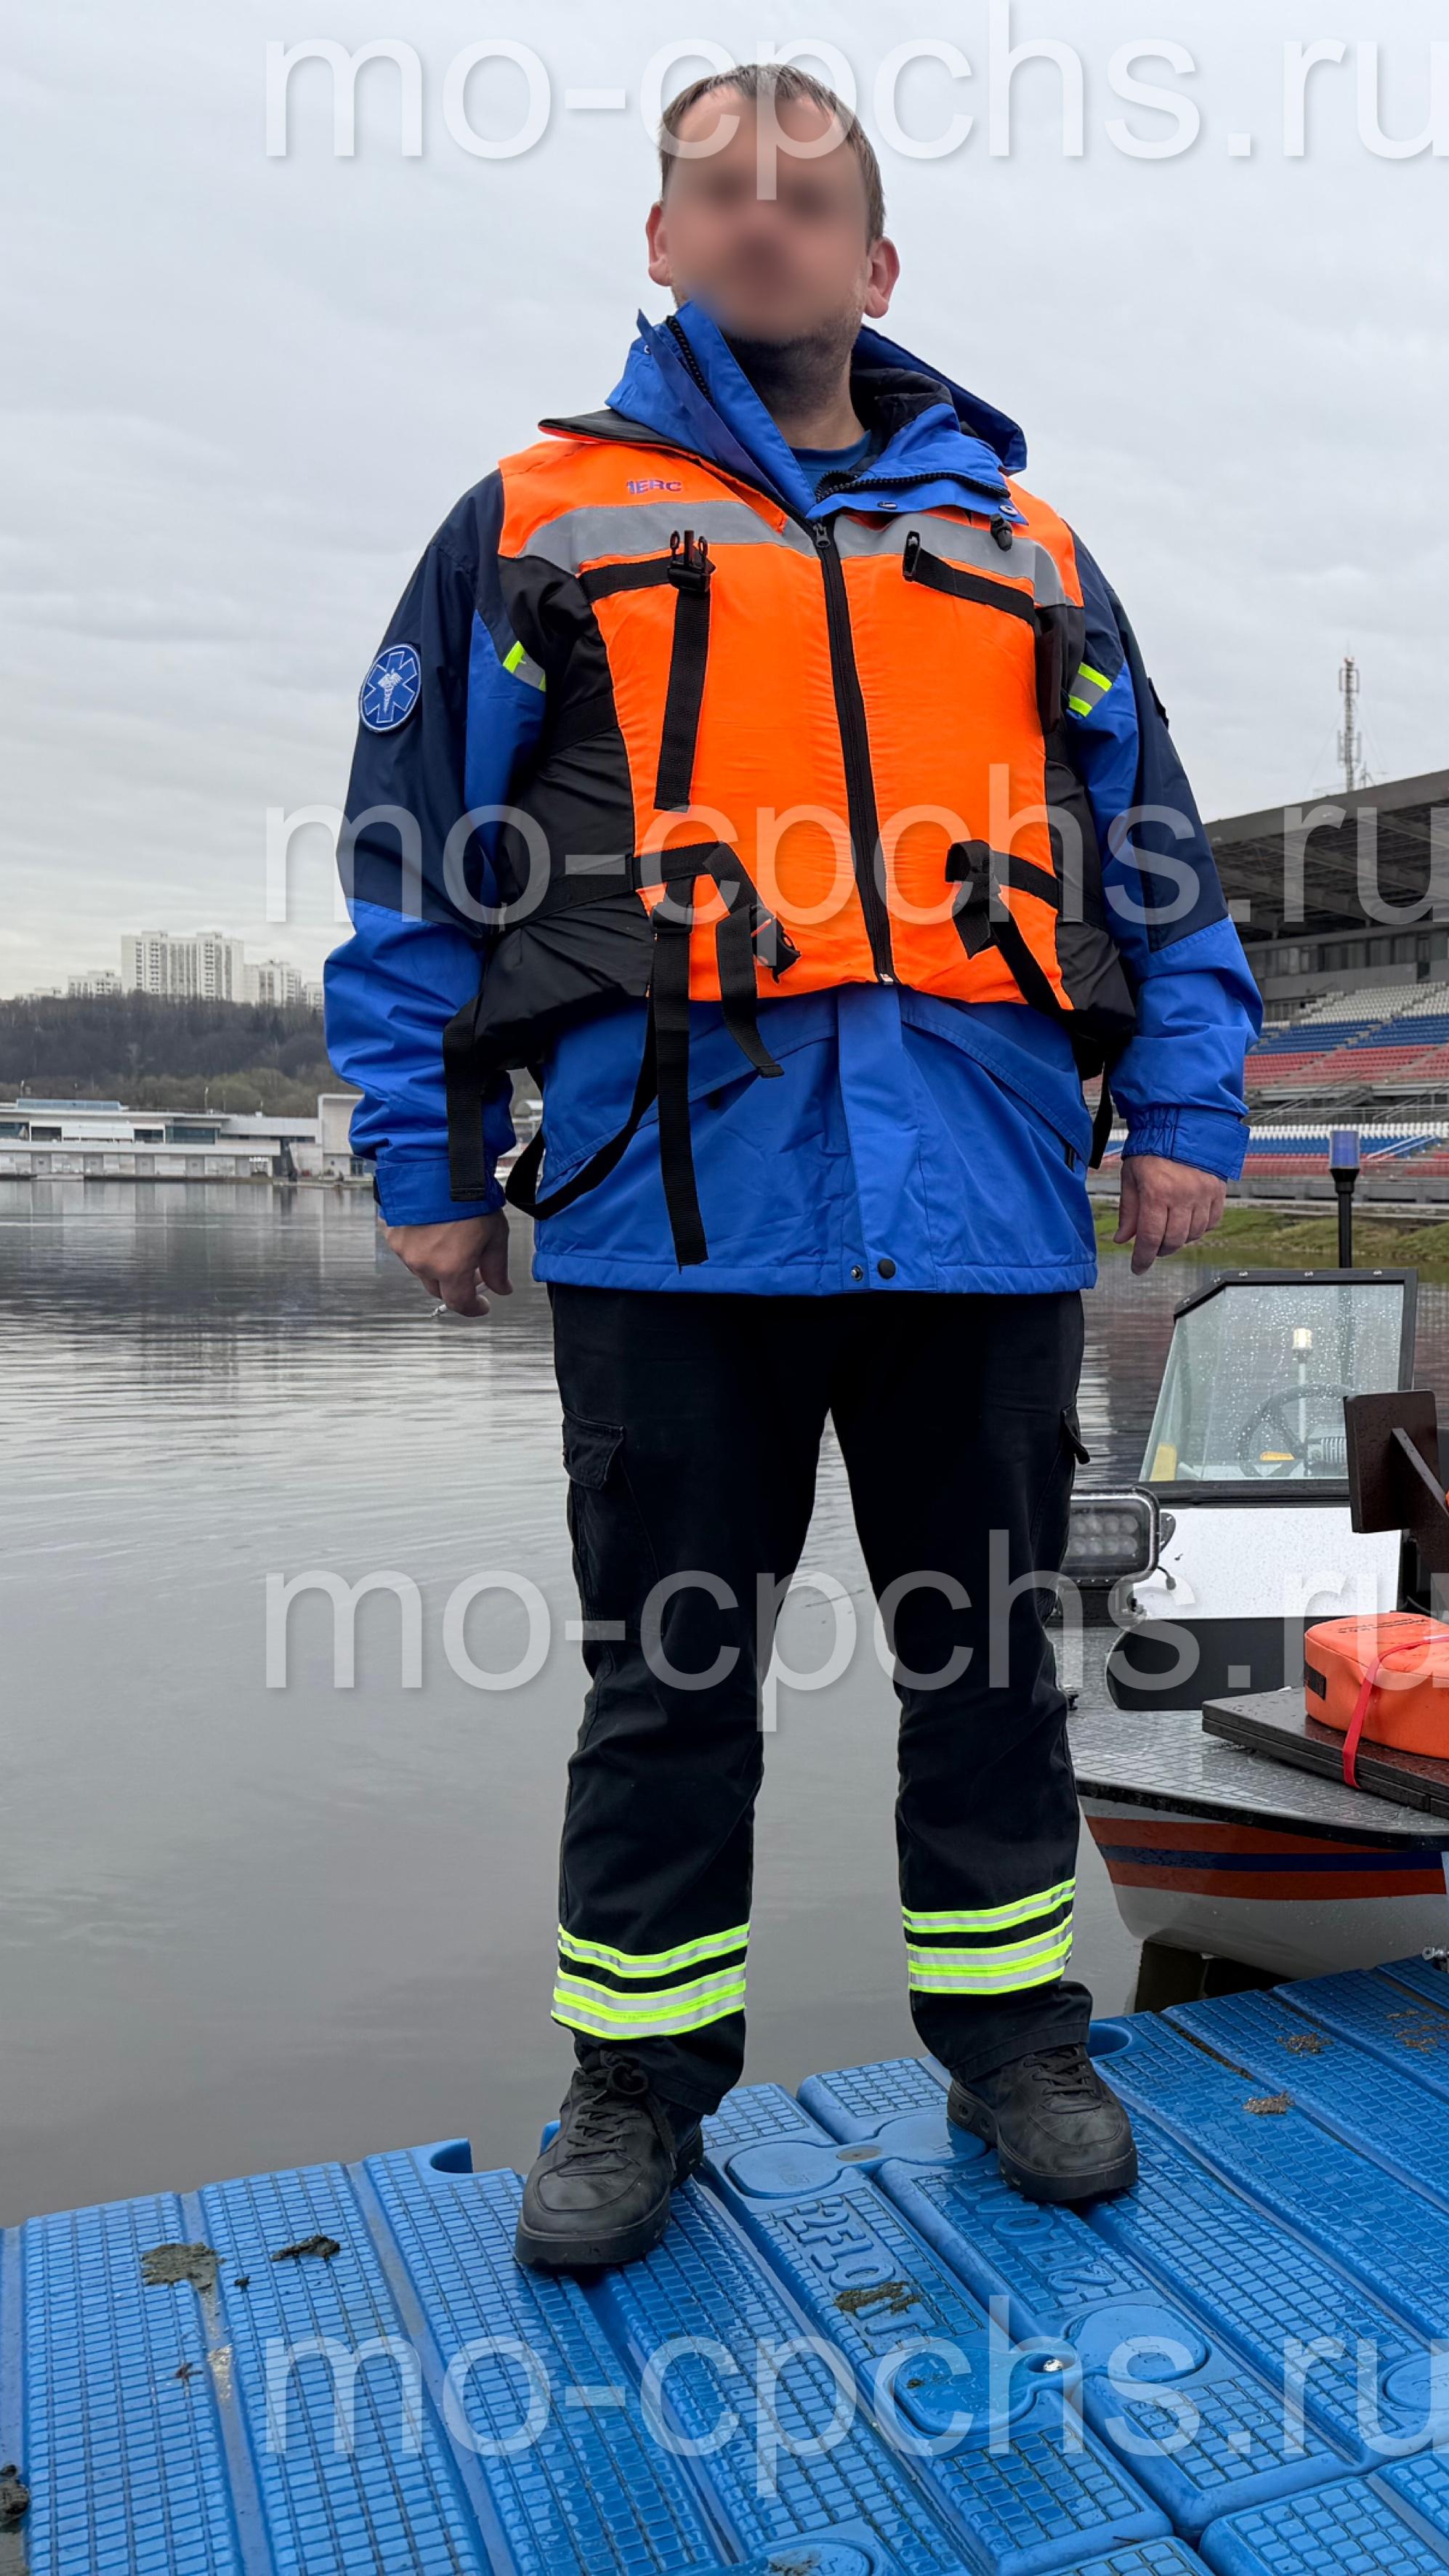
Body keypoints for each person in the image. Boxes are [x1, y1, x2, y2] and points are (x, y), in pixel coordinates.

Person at [326, 64, 1259, 2269]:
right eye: (722, 197)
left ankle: (1015, 2031)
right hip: (672, 1201)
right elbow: (405, 872)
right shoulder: (535, 523)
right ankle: (637, 2089)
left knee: (994, 1651)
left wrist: (1189, 1109)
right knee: (666, 1671)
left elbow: (1159, 858)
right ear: (659, 243)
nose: (767, 228)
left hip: (982, 1201)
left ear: (878, 260)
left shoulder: (1026, 549)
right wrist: (422, 1153)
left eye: (811, 199)